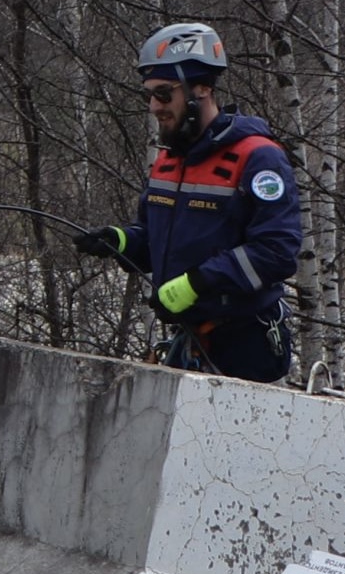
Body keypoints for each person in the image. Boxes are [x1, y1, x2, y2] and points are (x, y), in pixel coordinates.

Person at [75, 22, 301, 383]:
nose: (154, 106)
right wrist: (121, 241)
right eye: (149, 96)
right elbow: (157, 242)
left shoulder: (258, 157)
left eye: (164, 94)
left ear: (203, 88)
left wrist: (197, 283)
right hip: (189, 343)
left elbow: (277, 251)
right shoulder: (169, 160)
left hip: (245, 347)